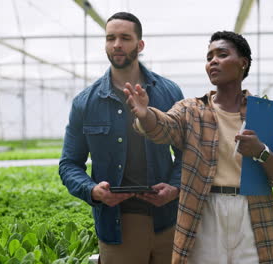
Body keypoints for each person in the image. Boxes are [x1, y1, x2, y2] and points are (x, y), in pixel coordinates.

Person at [124, 31, 273, 264]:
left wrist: (262, 152)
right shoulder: (192, 110)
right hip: (204, 210)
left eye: (222, 54)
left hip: (252, 212)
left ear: (243, 63)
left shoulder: (265, 113)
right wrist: (146, 115)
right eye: (209, 57)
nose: (213, 61)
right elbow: (164, 128)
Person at [58, 12, 184, 264]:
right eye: (110, 38)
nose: (117, 44)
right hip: (117, 225)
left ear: (140, 45)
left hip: (168, 221)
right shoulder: (86, 102)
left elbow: (188, 151)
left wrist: (175, 187)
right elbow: (69, 164)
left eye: (125, 38)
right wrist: (92, 191)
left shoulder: (169, 92)